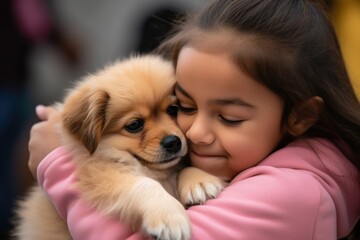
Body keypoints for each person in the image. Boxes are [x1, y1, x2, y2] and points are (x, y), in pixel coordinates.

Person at [27, 0, 360, 239]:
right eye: (184, 106)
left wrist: (58, 166)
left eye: (228, 117)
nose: (192, 133)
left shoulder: (290, 196)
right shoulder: (274, 163)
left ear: (300, 117)